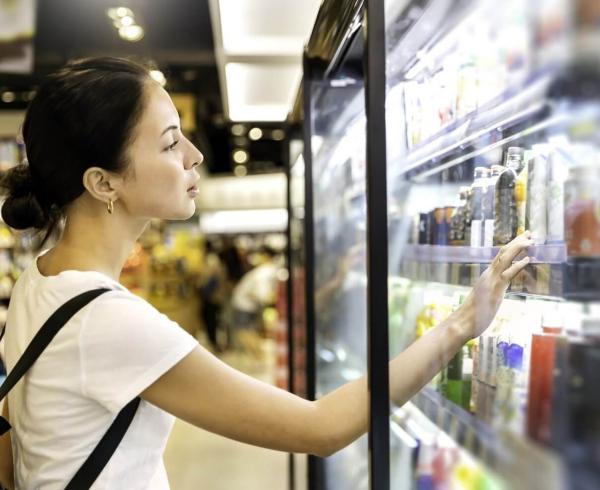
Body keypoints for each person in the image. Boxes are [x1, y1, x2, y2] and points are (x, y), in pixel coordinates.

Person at [0, 57, 532, 490]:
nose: (194, 154)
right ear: (103, 182)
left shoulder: (40, 282)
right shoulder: (108, 321)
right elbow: (320, 429)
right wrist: (462, 324)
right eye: (168, 143)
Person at [230, 246, 280, 357]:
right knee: (248, 330)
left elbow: (261, 292)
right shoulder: (269, 269)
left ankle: (258, 355)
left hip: (244, 305)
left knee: (243, 331)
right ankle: (257, 355)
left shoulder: (265, 271)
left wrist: (269, 298)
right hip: (248, 304)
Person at [198, 239, 226, 352]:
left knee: (211, 321)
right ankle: (215, 343)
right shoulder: (214, 259)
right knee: (213, 320)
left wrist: (203, 288)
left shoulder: (211, 259)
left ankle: (215, 344)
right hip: (215, 296)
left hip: (211, 296)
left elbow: (210, 278)